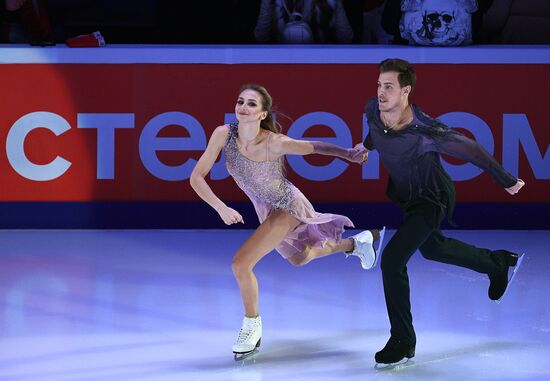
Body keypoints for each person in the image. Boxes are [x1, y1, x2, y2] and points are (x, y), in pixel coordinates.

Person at [190, 83, 385, 359]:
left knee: (240, 263)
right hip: (267, 210)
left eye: (251, 104)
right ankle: (356, 244)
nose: (243, 108)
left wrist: (348, 154)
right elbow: (196, 177)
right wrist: (220, 207)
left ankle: (251, 326)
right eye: (240, 101)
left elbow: (314, 147)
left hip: (288, 205)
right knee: (300, 258)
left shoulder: (274, 142)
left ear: (262, 114)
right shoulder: (223, 134)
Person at [363, 58, 525, 365]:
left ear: (406, 90)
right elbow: (375, 131)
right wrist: (366, 147)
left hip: (432, 199)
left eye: (389, 86)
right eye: (379, 85)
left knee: (393, 259)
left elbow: (473, 150)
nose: (381, 92)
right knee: (433, 249)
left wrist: (506, 180)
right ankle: (496, 263)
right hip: (407, 198)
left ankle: (403, 340)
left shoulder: (427, 130)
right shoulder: (374, 109)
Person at [254, 0, 354, 44]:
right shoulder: (275, 3)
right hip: (281, 60)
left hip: (317, 61)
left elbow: (346, 38)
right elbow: (260, 37)